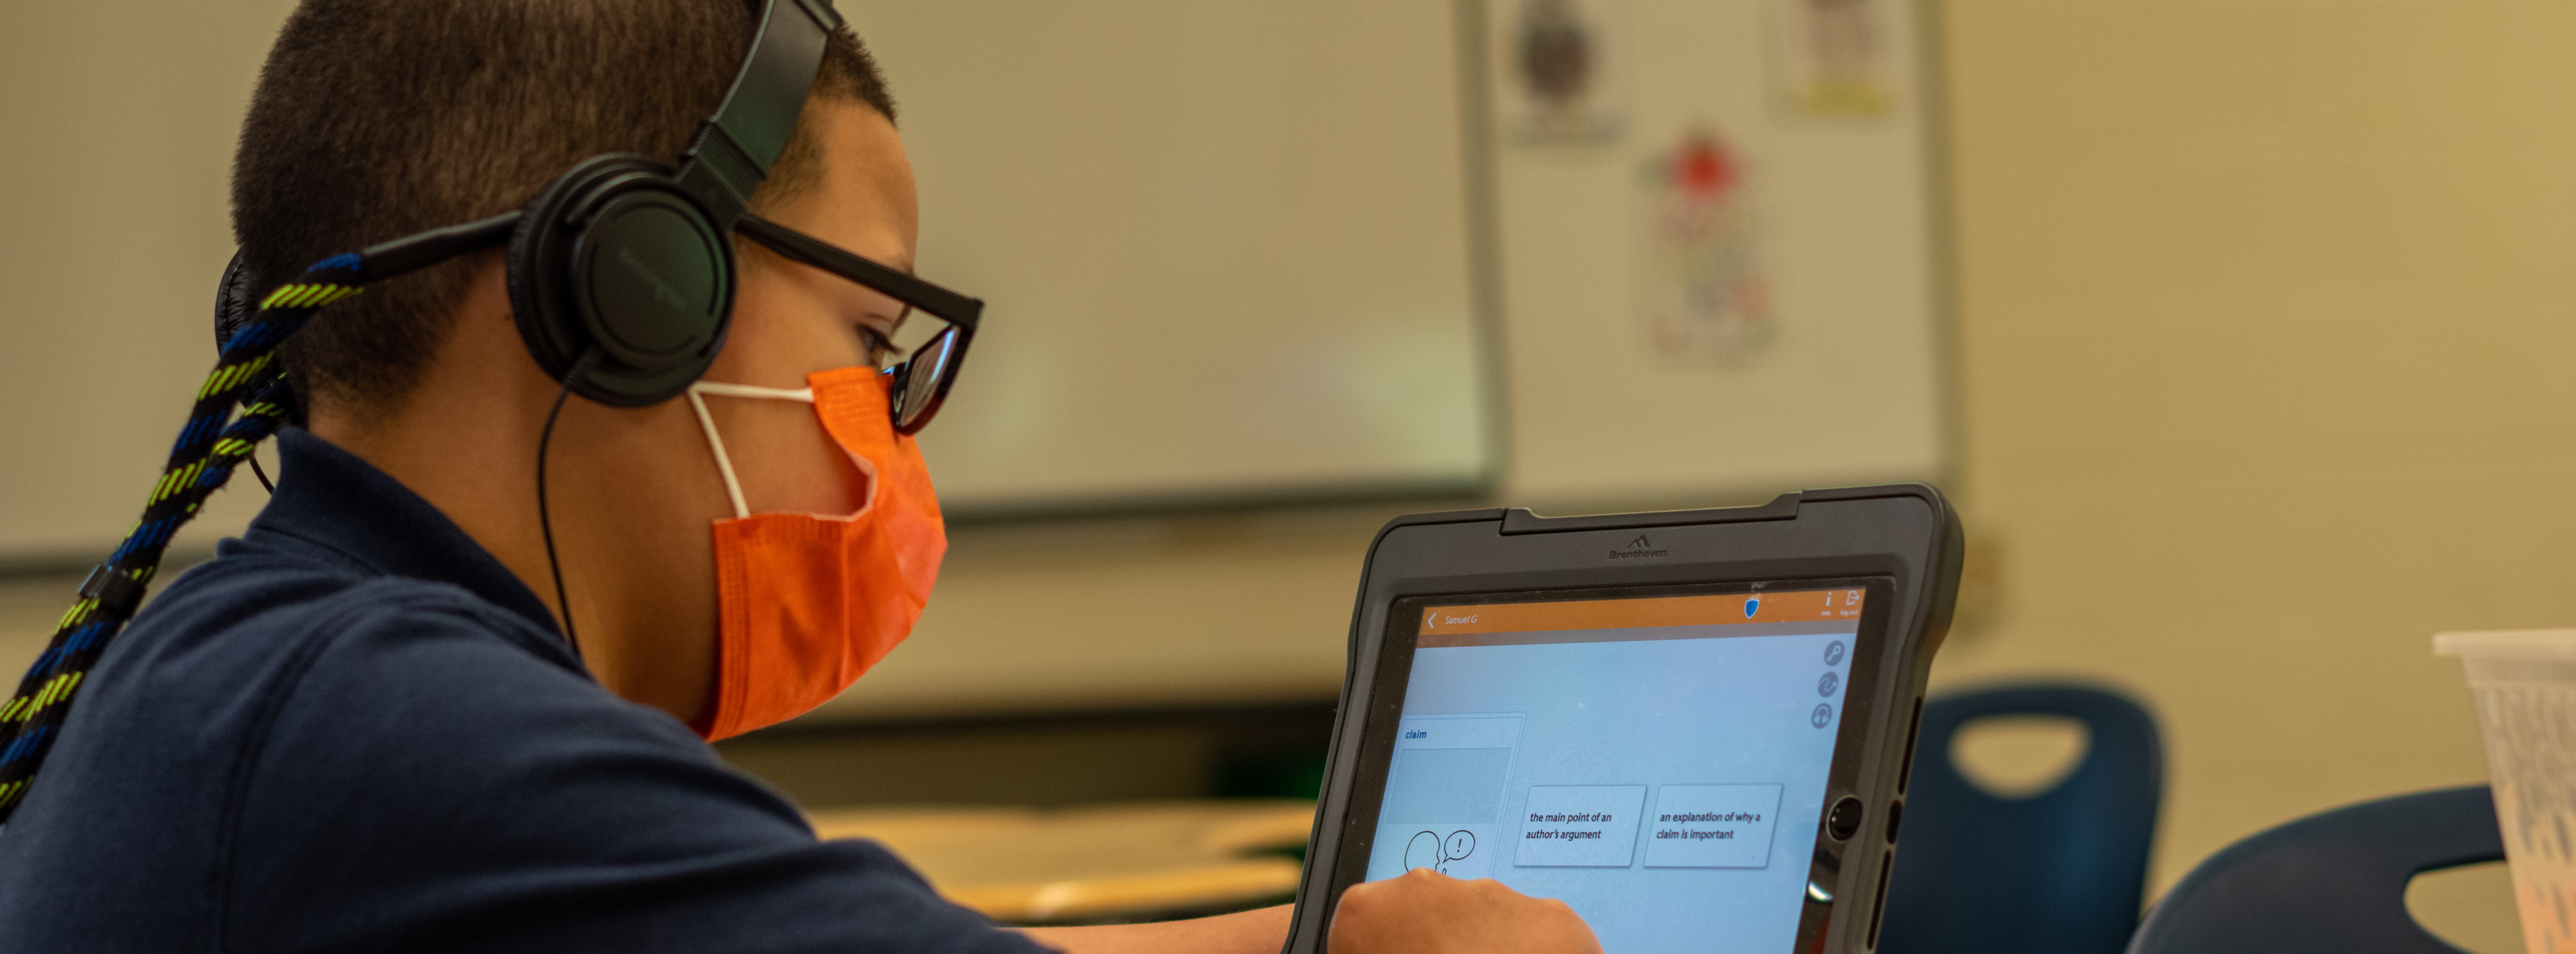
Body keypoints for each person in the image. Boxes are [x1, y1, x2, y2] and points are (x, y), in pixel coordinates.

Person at [0, 2, 1606, 953]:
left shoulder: (276, 667)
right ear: (627, 289)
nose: (886, 437)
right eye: (863, 332)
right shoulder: (390, 723)